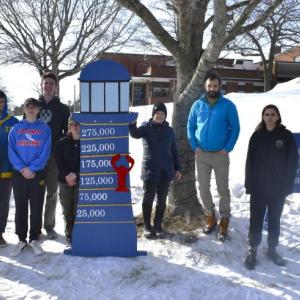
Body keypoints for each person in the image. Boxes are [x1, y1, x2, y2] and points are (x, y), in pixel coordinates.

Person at [187, 71, 240, 242]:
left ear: (219, 87)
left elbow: (235, 128)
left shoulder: (228, 106)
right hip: (201, 154)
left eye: (215, 86)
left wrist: (227, 148)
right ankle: (210, 216)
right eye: (209, 86)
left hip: (220, 155)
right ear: (205, 86)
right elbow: (190, 126)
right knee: (203, 188)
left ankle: (224, 219)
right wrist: (195, 147)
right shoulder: (197, 105)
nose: (212, 88)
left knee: (223, 189)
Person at [244, 104, 297, 270]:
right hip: (259, 188)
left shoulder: (286, 136)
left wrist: (287, 185)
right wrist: (249, 184)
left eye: (273, 114)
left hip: (277, 189)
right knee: (256, 220)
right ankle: (252, 249)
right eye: (266, 114)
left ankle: (272, 249)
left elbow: (292, 162)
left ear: (278, 116)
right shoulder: (256, 136)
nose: (270, 117)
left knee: (274, 220)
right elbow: (249, 162)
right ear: (263, 117)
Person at [129, 101, 181, 238]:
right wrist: (132, 123)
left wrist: (177, 169)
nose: (159, 116)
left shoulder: (170, 131)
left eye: (162, 113)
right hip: (150, 170)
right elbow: (135, 134)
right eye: (157, 113)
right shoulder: (146, 127)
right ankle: (147, 225)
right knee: (148, 199)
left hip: (166, 171)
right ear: (153, 115)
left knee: (162, 200)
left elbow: (174, 151)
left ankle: (158, 224)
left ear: (165, 115)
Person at [8, 98, 51, 256]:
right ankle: (21, 239)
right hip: (19, 173)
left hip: (37, 173)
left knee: (37, 206)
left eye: (34, 107)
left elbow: (45, 152)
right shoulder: (15, 129)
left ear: (38, 110)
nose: (31, 109)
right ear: (24, 110)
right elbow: (11, 152)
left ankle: (34, 239)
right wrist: (22, 168)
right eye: (28, 107)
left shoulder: (45, 129)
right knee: (20, 206)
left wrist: (32, 168)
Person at [39, 72, 70, 239]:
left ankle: (49, 226)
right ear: (41, 85)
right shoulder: (33, 106)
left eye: (51, 83)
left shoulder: (63, 109)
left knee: (51, 192)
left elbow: (67, 133)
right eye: (46, 83)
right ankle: (34, 227)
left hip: (53, 157)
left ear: (56, 87)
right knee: (36, 193)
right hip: (35, 157)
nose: (48, 86)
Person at [55, 115, 80, 248]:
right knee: (67, 210)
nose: (75, 127)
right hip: (64, 180)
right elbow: (59, 161)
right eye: (73, 124)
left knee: (78, 209)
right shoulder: (62, 142)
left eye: (78, 124)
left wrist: (75, 175)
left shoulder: (87, 142)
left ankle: (78, 234)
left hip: (80, 180)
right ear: (69, 127)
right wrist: (68, 175)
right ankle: (69, 235)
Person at [0, 90, 19, 247]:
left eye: (1, 101)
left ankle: (0, 233)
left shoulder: (13, 122)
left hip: (6, 169)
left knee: (3, 202)